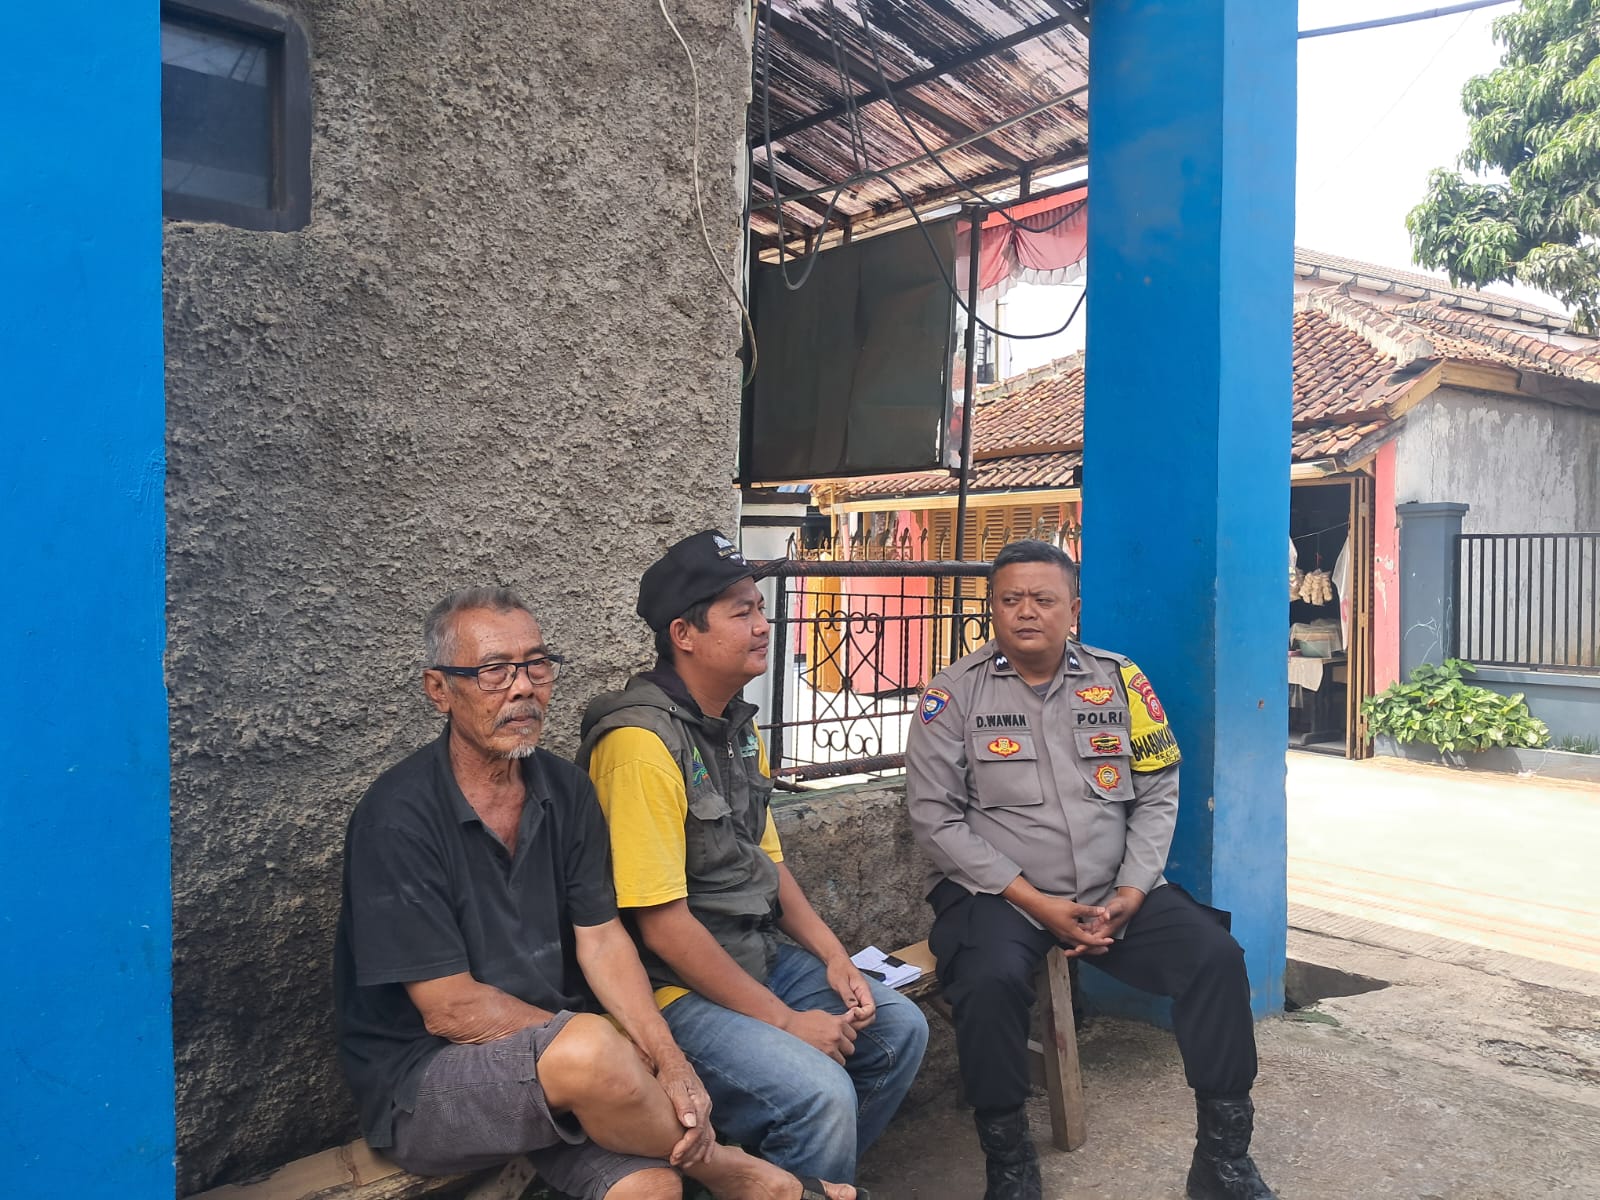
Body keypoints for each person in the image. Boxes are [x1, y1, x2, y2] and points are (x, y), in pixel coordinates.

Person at [334, 586, 858, 1200]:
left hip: (576, 1069)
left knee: (651, 1189)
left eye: (536, 665)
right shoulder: (397, 818)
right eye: (494, 671)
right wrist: (606, 1054)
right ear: (439, 689)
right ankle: (743, 1177)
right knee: (588, 1046)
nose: (523, 688)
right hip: (429, 1078)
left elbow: (604, 941)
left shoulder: (566, 791)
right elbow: (452, 1010)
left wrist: (667, 1059)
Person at [904, 541, 1277, 1200]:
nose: (1026, 612)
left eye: (1043, 599)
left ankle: (1223, 1160)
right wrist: (1035, 902)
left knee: (1215, 957)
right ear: (991, 608)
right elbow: (935, 820)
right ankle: (1010, 1165)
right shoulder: (952, 695)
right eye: (1011, 599)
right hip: (1002, 894)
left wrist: (1133, 888)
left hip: (1113, 889)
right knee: (987, 980)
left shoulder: (1121, 680)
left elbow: (1158, 789)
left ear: (1073, 609)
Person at [578, 531, 927, 1189]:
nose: (764, 625)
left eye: (761, 608)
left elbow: (769, 862)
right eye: (742, 612)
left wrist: (833, 956)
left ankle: (788, 1183)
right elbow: (662, 927)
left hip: (753, 953)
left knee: (897, 1029)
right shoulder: (639, 745)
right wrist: (788, 1023)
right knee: (820, 1094)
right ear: (684, 634)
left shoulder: (736, 726)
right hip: (669, 990)